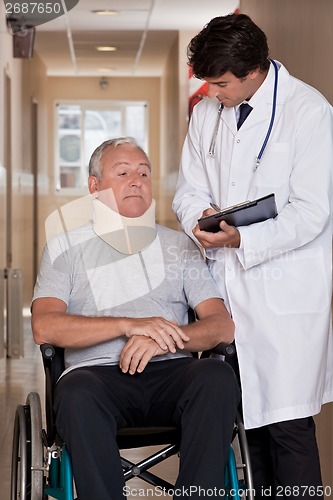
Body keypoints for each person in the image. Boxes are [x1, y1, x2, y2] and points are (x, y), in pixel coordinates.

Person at [172, 13, 333, 500]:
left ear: (253, 71)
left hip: (283, 290)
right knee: (244, 425)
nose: (214, 94)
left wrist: (243, 240)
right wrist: (200, 218)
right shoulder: (206, 113)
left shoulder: (308, 111)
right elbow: (186, 191)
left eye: (221, 84)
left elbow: (313, 213)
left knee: (288, 425)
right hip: (224, 290)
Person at [31, 137, 240, 500]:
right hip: (96, 378)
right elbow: (44, 326)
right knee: (77, 393)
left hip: (171, 375)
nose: (136, 180)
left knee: (216, 375)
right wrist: (130, 325)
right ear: (94, 187)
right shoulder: (63, 248)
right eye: (123, 172)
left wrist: (164, 337)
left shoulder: (180, 247)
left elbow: (220, 325)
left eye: (144, 173)